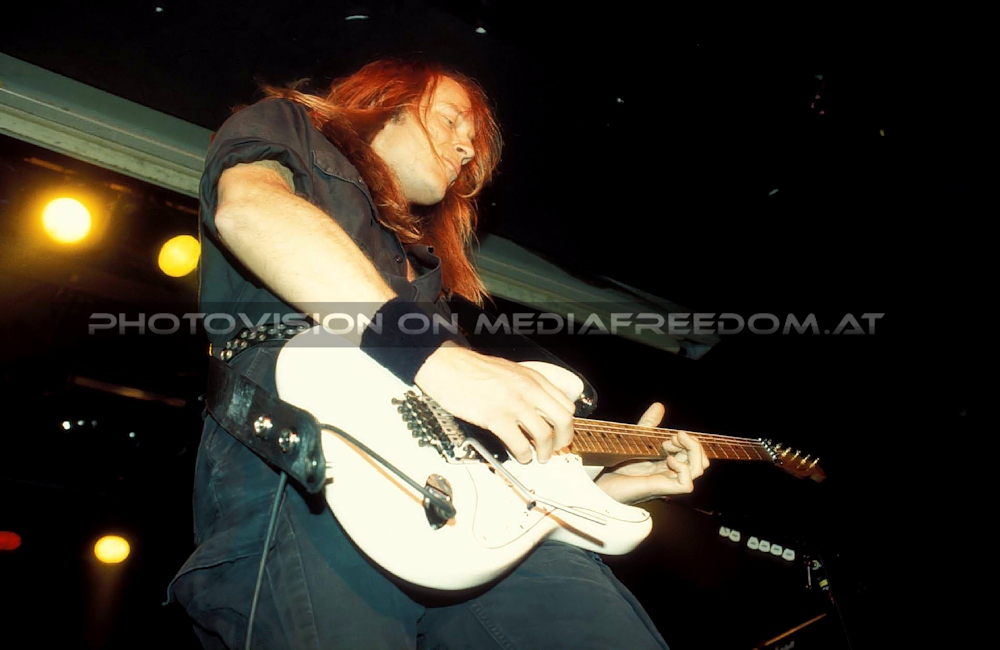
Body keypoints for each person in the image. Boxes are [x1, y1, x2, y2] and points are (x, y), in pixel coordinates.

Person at [167, 59, 709, 649]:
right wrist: (436, 357)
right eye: (451, 120)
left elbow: (473, 456)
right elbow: (251, 211)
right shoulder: (290, 127)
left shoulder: (428, 277)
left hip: (460, 515)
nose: (466, 147)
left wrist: (601, 492)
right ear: (384, 104)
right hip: (304, 458)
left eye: (472, 140)